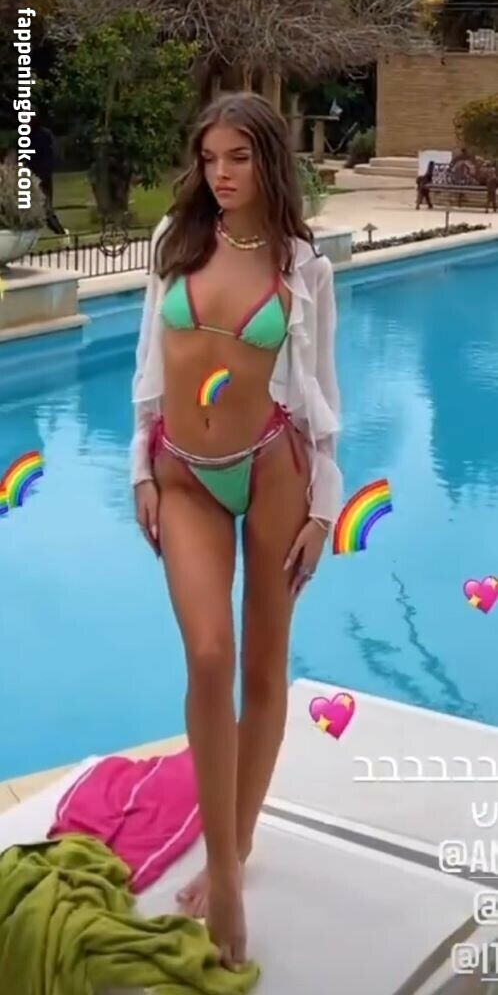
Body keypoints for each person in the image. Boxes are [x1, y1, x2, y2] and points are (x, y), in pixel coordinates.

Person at [130, 92, 342, 970]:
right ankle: (222, 870)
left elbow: (322, 393)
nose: (219, 174)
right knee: (209, 655)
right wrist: (139, 470)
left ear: (269, 161)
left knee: (262, 667)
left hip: (273, 464)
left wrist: (324, 509)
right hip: (183, 470)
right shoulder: (173, 243)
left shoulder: (304, 267)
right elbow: (148, 372)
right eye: (209, 157)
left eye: (238, 158)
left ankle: (235, 853)